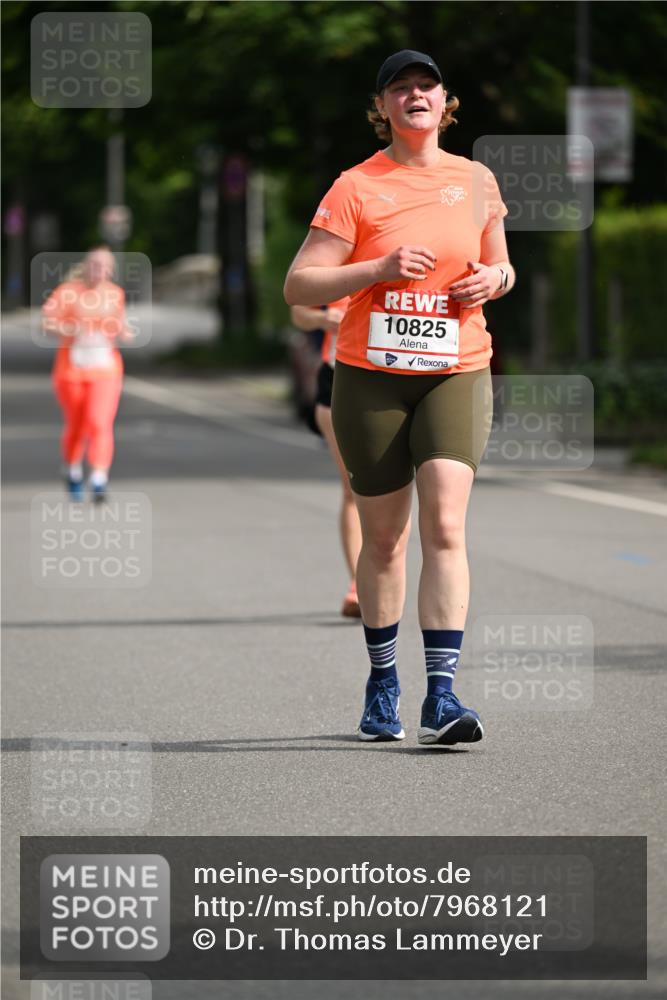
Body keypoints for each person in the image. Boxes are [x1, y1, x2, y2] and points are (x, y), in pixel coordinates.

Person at [284, 49, 515, 745]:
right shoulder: (356, 186)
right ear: (382, 109)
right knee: (385, 538)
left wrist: (492, 282)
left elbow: (500, 262)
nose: (414, 95)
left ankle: (440, 696)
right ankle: (383, 680)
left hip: (456, 367)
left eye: (426, 86)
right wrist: (378, 267)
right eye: (399, 88)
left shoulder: (475, 180)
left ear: (444, 103)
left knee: (446, 525)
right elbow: (300, 286)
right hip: (371, 375)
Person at [290, 296, 363, 617]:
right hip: (338, 376)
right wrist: (324, 319)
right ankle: (359, 586)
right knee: (354, 488)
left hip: (396, 378)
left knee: (393, 491)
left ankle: (385, 577)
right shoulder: (336, 257)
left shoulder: (408, 257)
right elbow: (299, 312)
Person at [42, 246, 133, 502]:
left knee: (99, 422)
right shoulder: (68, 292)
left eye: (104, 266)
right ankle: (71, 469)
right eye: (94, 265)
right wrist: (71, 328)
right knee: (77, 426)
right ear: (85, 266)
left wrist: (124, 332)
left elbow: (122, 326)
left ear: (110, 270)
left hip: (105, 369)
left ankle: (98, 479)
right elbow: (46, 323)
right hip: (71, 371)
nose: (98, 271)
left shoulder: (115, 294)